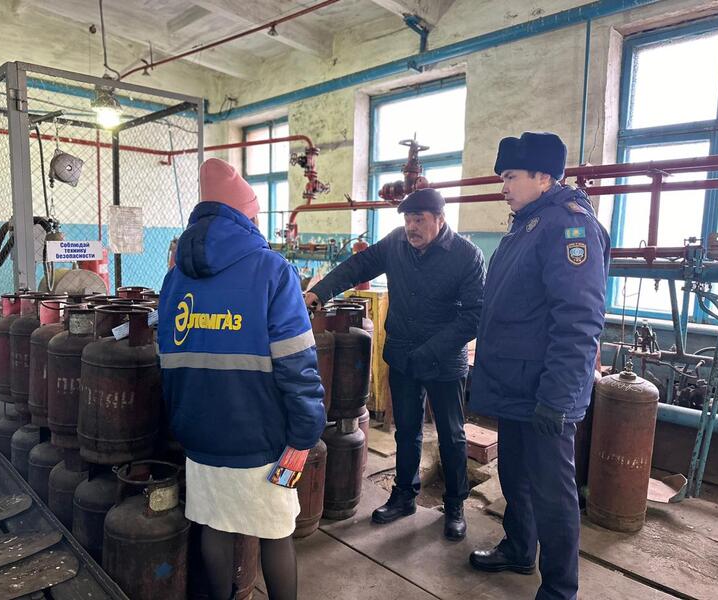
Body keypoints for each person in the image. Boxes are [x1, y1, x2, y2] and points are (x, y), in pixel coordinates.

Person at [158, 158, 326, 600]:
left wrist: (184, 424)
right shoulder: (273, 271)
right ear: (248, 216)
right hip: (267, 443)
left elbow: (167, 361)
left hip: (200, 438)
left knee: (215, 525)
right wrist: (305, 433)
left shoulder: (175, 278)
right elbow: (297, 365)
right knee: (276, 533)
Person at [467, 132, 610, 600]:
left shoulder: (570, 227)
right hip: (516, 384)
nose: (503, 186)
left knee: (552, 493)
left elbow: (579, 320)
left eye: (511, 176)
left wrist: (559, 399)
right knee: (515, 477)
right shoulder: (528, 224)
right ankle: (518, 548)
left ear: (544, 177)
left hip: (545, 391)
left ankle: (559, 589)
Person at [305, 188, 485, 541]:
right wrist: (320, 291)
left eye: (419, 219)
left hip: (444, 361)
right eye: (407, 220)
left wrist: (429, 351)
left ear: (439, 219)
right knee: (406, 430)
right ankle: (404, 496)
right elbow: (358, 265)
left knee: (451, 435)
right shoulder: (396, 243)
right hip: (403, 356)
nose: (411, 227)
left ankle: (454, 506)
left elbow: (473, 317)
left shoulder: (467, 255)